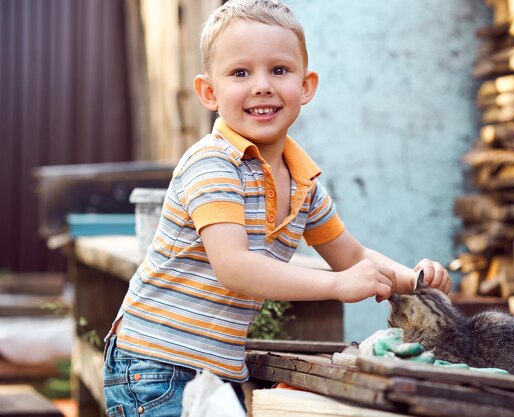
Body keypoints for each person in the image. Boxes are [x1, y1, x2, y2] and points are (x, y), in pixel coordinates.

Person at [103, 0, 451, 415]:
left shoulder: (303, 183)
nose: (262, 86)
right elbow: (234, 268)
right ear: (209, 92)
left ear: (306, 86)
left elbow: (353, 257)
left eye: (279, 70)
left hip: (215, 370)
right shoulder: (213, 164)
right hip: (155, 365)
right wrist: (336, 287)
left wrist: (412, 279)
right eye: (240, 73)